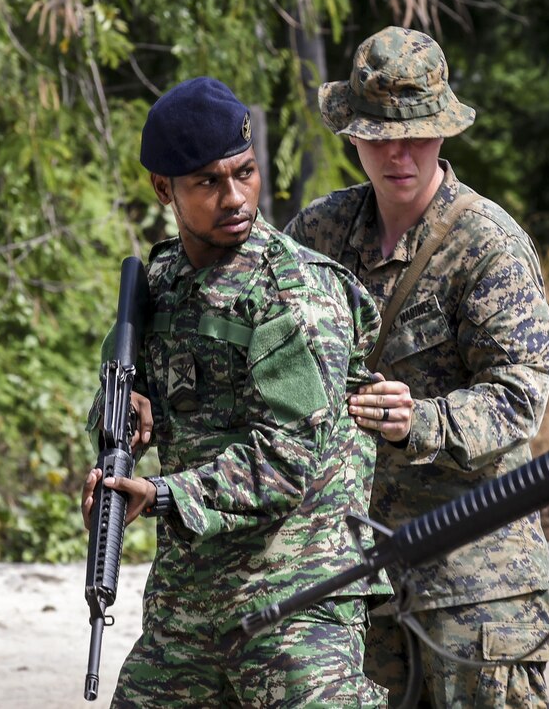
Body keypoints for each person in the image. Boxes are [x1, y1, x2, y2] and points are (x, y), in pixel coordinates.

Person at [79, 77, 389, 707]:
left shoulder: (294, 291)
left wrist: (161, 496)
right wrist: (120, 437)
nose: (234, 197)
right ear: (163, 188)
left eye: (244, 173)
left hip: (298, 595)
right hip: (189, 601)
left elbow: (286, 459)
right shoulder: (159, 283)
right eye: (207, 183)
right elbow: (128, 402)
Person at [285, 26, 549, 708]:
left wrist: (423, 420)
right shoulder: (320, 234)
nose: (397, 152)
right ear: (352, 135)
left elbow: (520, 395)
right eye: (378, 135)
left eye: (414, 133)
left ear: (443, 133)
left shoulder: (487, 244)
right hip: (358, 570)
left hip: (475, 579)